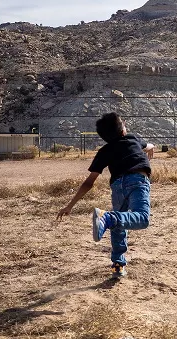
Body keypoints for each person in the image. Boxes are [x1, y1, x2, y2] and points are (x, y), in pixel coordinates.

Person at [57, 112, 152, 279]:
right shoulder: (132, 138)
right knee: (142, 218)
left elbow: (89, 182)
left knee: (119, 223)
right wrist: (151, 148)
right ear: (123, 129)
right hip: (137, 180)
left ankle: (118, 264)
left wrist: (70, 205)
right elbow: (148, 145)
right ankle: (107, 218)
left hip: (117, 186)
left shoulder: (105, 150)